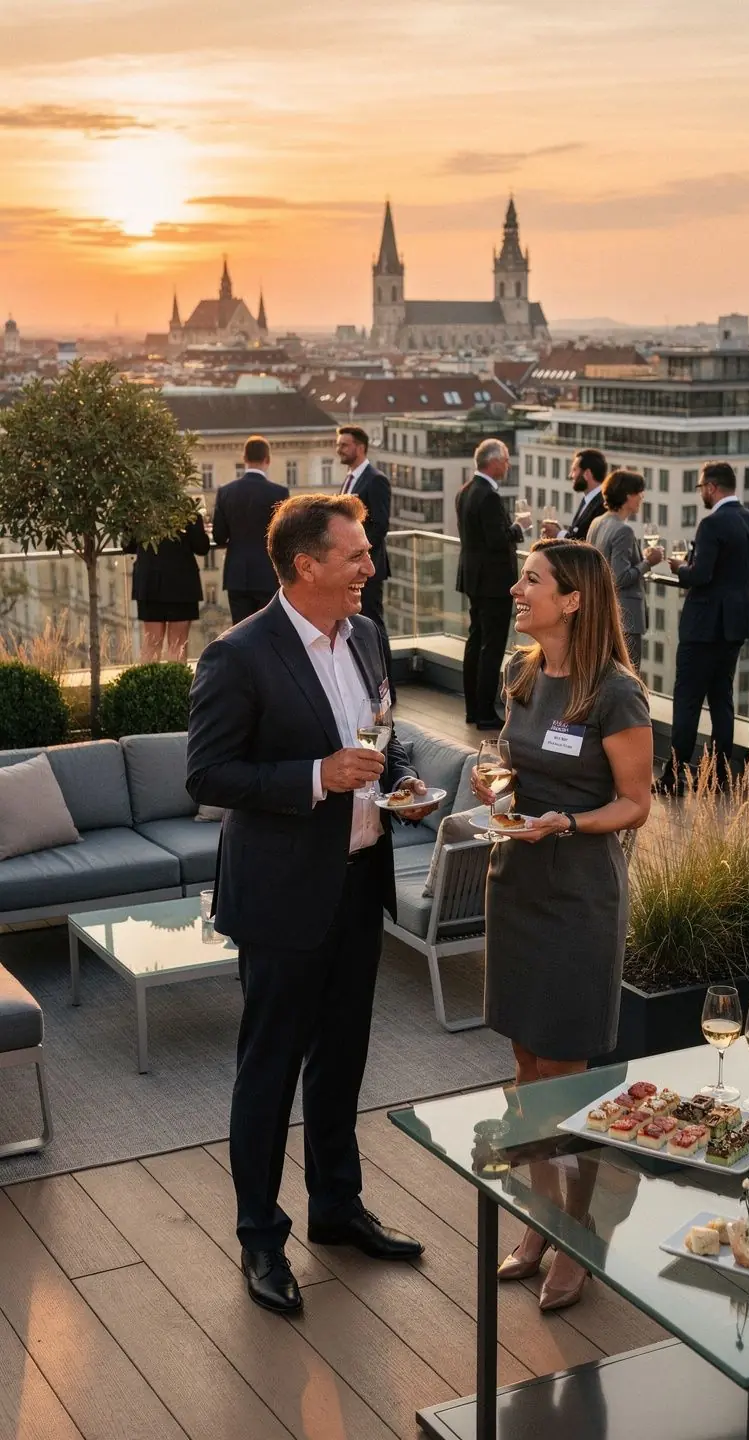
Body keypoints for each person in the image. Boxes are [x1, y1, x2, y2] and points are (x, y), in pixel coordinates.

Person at [186, 492, 432, 1316]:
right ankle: (261, 1238)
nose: (373, 566)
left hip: (360, 884)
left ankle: (335, 1208)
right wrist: (315, 777)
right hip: (282, 899)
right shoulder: (238, 654)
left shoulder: (367, 634)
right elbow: (208, 776)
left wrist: (400, 785)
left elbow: (381, 734)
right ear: (306, 567)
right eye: (357, 555)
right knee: (269, 1073)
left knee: (342, 1060)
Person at [471, 539, 652, 1310]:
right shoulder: (518, 674)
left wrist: (566, 823)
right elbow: (509, 769)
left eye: (532, 581)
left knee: (566, 1079)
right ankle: (540, 1221)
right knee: (524, 1067)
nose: (517, 589)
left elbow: (635, 804)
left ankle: (579, 1239)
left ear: (573, 598)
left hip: (577, 895)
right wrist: (497, 797)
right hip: (514, 883)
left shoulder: (615, 694)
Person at [656, 460, 749, 794]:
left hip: (703, 625)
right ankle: (720, 776)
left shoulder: (711, 524)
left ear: (711, 486)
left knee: (688, 699)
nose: (701, 494)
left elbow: (700, 575)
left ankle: (674, 776)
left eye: (700, 488)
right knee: (722, 700)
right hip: (736, 625)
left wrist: (681, 567)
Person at [456, 438, 531, 730]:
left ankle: (473, 708)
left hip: (473, 577)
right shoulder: (488, 495)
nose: (508, 465)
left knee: (476, 641)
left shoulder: (465, 491)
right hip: (493, 581)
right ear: (493, 462)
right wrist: (519, 528)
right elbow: (497, 540)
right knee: (492, 645)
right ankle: (486, 712)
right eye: (506, 459)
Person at [335, 425, 395, 698]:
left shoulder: (375, 480)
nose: (339, 449)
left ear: (360, 447)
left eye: (344, 444)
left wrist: (355, 555)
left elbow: (380, 525)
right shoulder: (349, 479)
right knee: (355, 625)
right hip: (350, 567)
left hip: (368, 568)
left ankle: (387, 689)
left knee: (373, 625)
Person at [587, 469, 664, 672]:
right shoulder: (623, 530)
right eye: (640, 492)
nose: (642, 497)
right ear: (628, 495)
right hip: (625, 619)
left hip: (601, 613)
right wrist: (649, 562)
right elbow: (619, 577)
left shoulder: (597, 523)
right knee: (628, 676)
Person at [211, 435, 289, 624]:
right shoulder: (279, 493)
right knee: (269, 631)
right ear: (267, 460)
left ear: (244, 459)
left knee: (240, 632)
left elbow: (219, 536)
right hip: (268, 573)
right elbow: (285, 535)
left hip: (237, 575)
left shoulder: (225, 492)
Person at [124, 507, 210, 662]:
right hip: (181, 583)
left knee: (152, 643)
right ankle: (176, 685)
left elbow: (127, 545)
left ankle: (148, 685)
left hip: (149, 581)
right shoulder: (187, 510)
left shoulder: (140, 510)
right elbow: (201, 547)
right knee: (178, 644)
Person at [542, 448, 607, 542]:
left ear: (587, 474)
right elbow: (578, 533)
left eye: (574, 470)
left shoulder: (603, 504)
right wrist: (560, 532)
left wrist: (558, 534)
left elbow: (586, 542)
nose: (570, 475)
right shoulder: (587, 500)